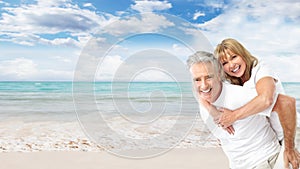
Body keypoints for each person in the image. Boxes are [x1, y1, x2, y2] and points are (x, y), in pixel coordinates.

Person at [214, 38, 300, 169]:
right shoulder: (233, 83)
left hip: (291, 133)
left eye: (234, 57)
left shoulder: (261, 69)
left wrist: (234, 116)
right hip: (272, 140)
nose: (231, 65)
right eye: (225, 63)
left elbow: (266, 99)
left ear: (242, 53)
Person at [187, 51, 281, 168]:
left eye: (209, 77)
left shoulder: (239, 95)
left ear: (219, 74)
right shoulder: (204, 104)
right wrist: (213, 111)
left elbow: (279, 106)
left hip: (264, 160)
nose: (204, 85)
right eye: (197, 79)